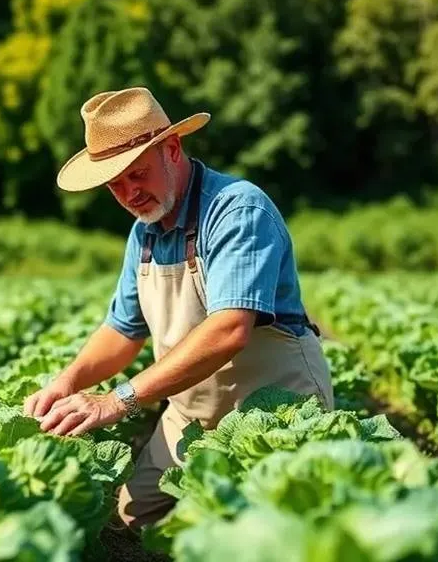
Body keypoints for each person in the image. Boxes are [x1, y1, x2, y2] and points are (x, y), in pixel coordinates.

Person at [23, 86, 334, 529]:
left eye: (137, 174)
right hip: (189, 414)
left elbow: (229, 329)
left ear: (171, 149)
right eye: (116, 184)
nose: (130, 193)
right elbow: (122, 330)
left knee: (270, 531)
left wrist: (118, 400)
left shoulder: (236, 209)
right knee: (131, 519)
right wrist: (67, 382)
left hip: (275, 410)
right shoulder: (143, 233)